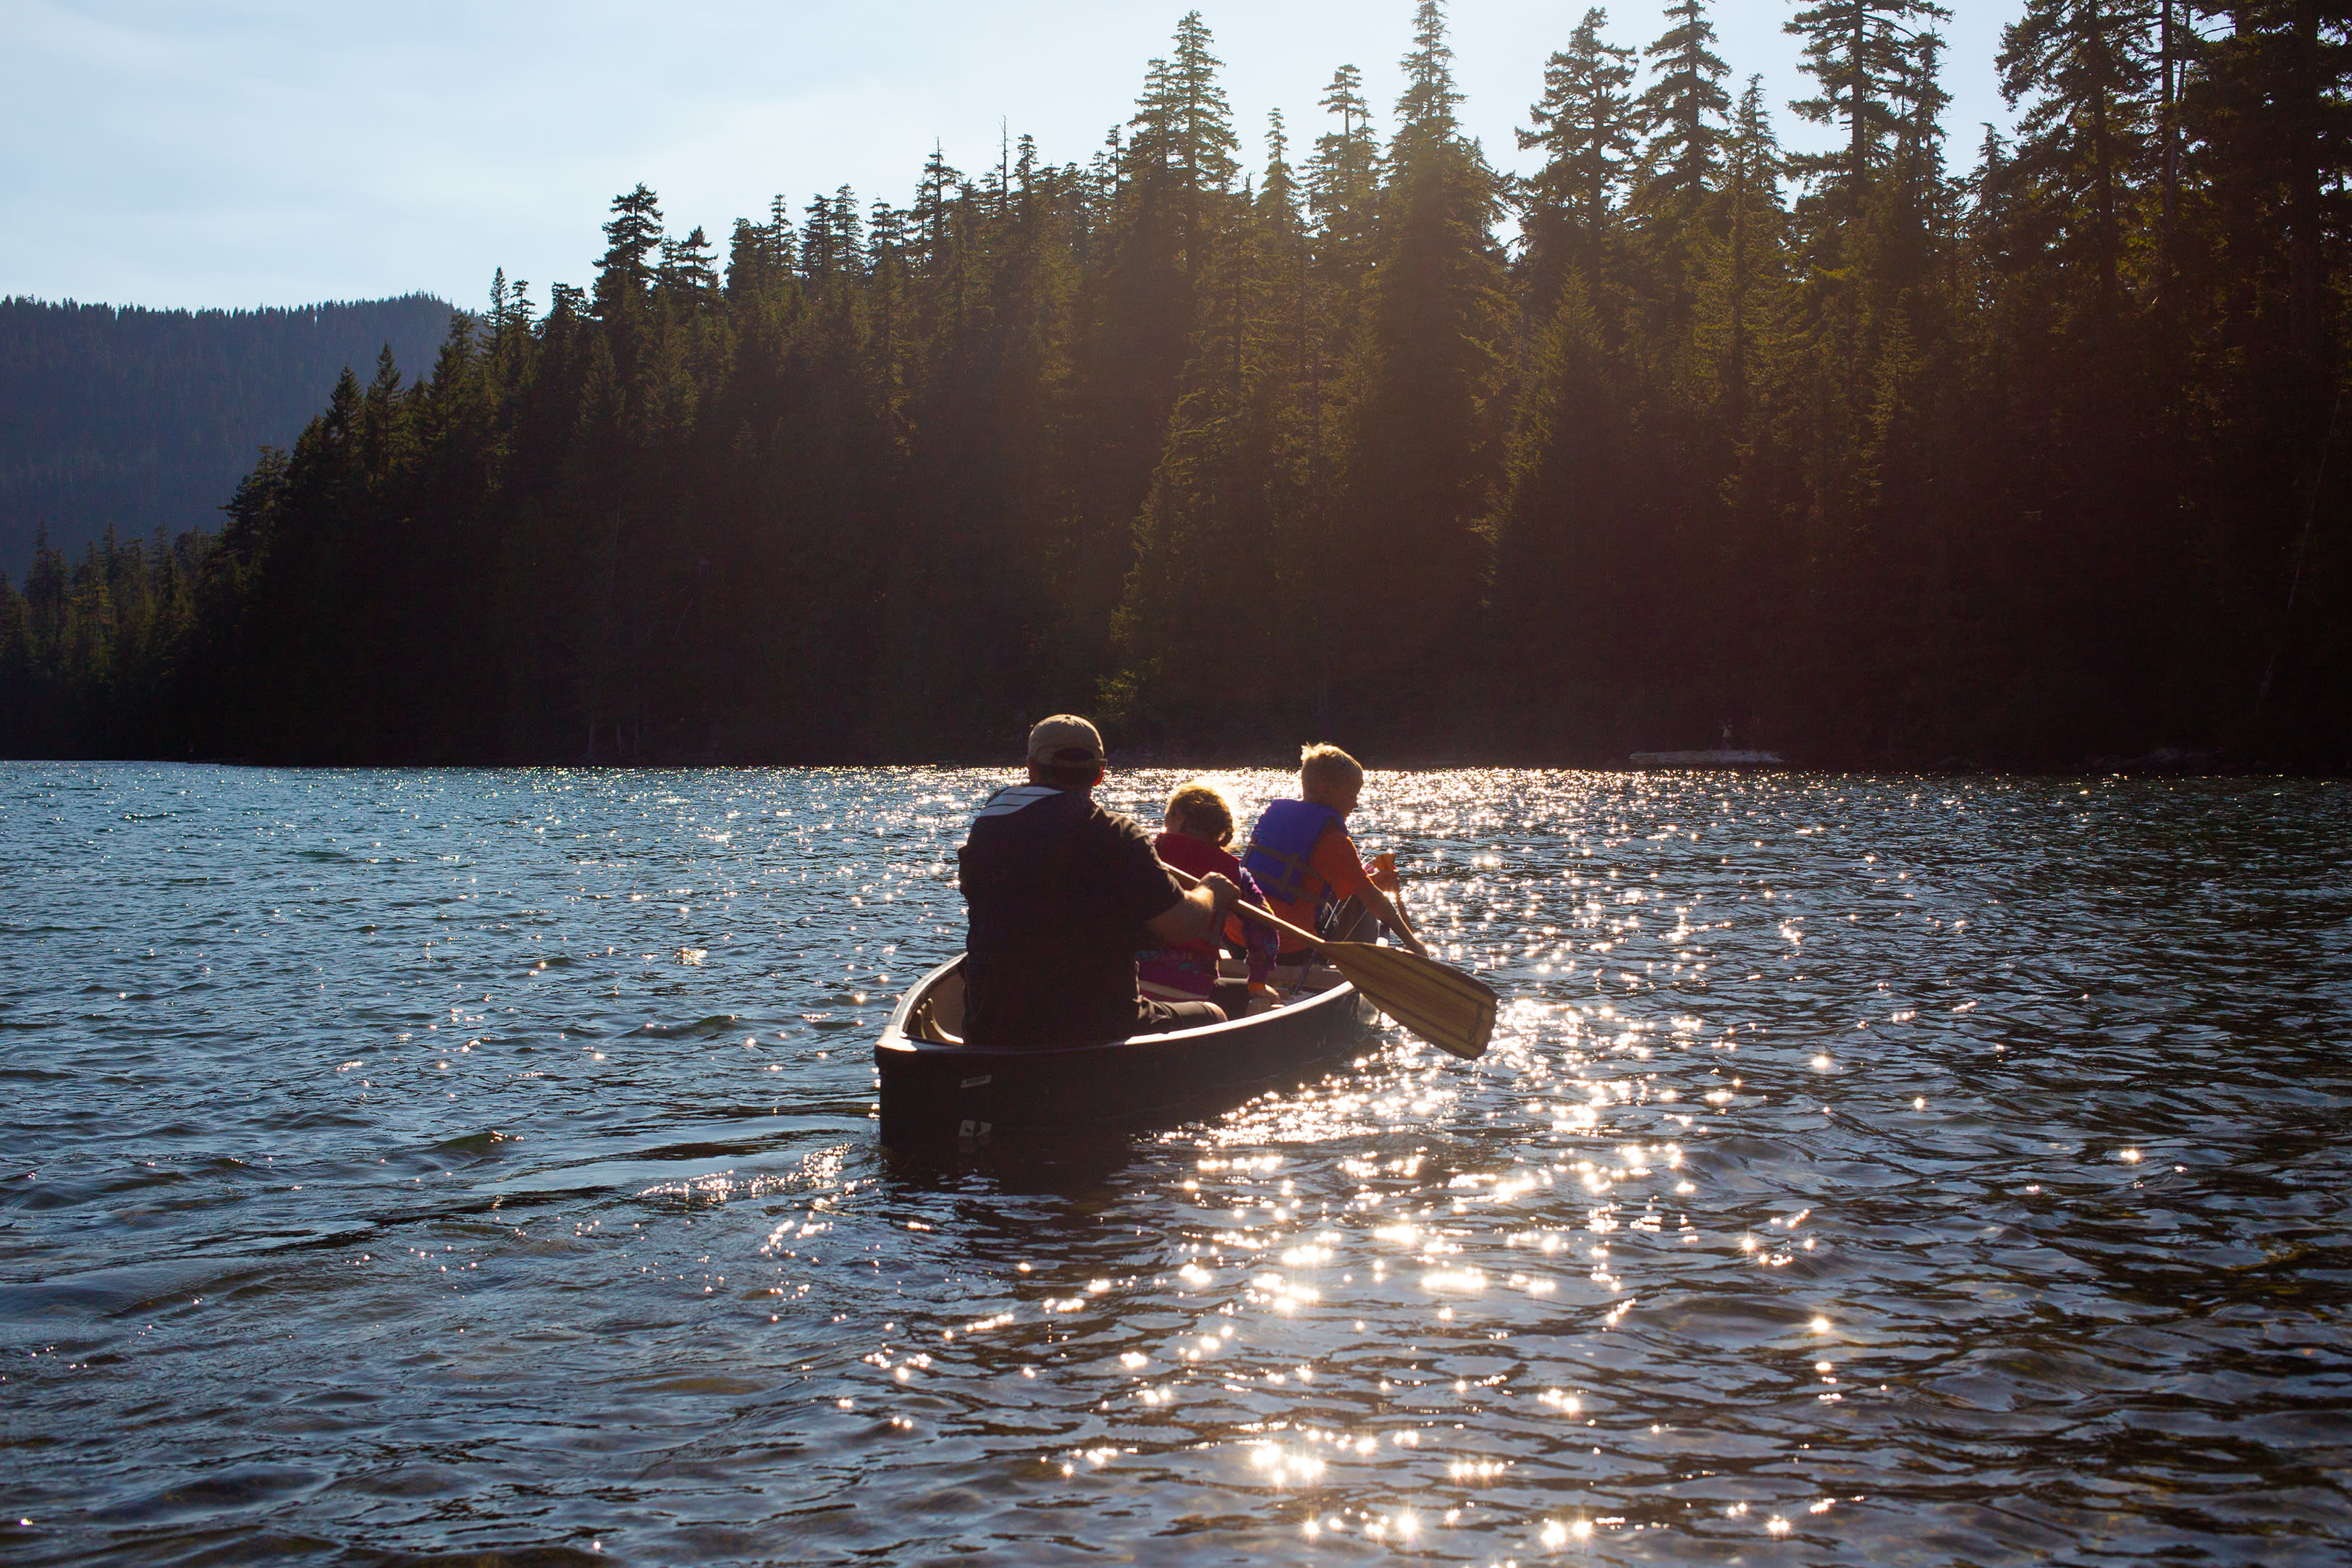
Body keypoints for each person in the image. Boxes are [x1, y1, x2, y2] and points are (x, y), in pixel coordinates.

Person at [957, 715, 1242, 1048]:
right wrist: (1209, 891)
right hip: (1095, 1026)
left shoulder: (988, 823)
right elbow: (1179, 925)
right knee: (1215, 1015)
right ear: (1100, 774)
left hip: (989, 1025)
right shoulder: (1114, 832)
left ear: (1031, 767)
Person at [1241, 743, 1429, 964]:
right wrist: (1414, 944)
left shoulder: (1273, 818)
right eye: (1352, 796)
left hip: (1239, 937)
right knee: (1358, 904)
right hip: (1286, 948)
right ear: (1327, 791)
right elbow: (1373, 899)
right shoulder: (1332, 839)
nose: (1356, 803)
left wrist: (1370, 881)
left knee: (1340, 895)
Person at [1138, 781, 1280, 1016]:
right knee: (1270, 998)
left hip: (1135, 982)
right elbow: (1265, 927)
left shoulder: (1148, 854)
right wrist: (1257, 981)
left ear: (1177, 816)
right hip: (1194, 991)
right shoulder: (1236, 875)